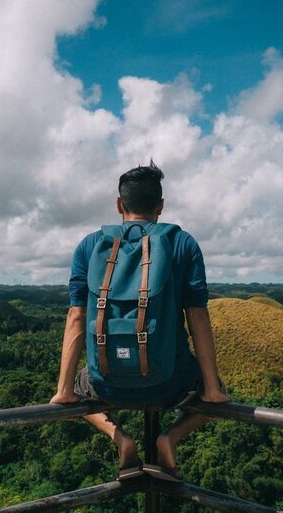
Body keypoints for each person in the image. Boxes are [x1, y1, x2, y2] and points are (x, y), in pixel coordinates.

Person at [50, 161, 230, 482]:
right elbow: (198, 317)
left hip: (107, 385)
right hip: (170, 385)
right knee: (214, 388)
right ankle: (168, 439)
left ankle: (120, 438)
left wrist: (64, 390)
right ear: (160, 206)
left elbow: (77, 317)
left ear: (119, 204)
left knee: (79, 385)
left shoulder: (90, 246)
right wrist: (212, 387)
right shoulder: (182, 244)